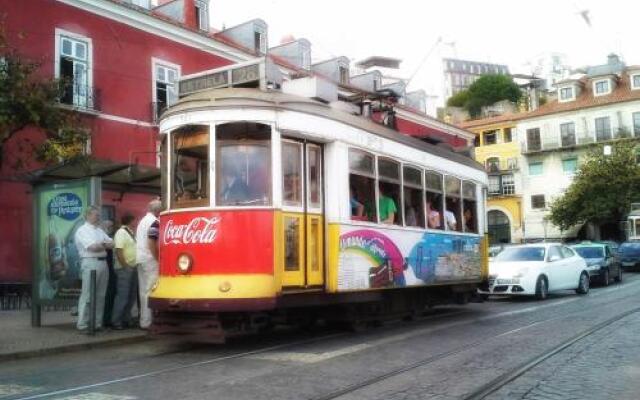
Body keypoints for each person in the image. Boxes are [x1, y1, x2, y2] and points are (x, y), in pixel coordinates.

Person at [74, 206, 114, 332]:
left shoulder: (99, 230)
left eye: (98, 215)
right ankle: (82, 324)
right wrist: (104, 244)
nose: (98, 217)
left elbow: (113, 244)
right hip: (90, 262)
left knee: (101, 295)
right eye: (96, 215)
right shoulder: (82, 230)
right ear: (88, 216)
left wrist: (101, 245)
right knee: (87, 295)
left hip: (103, 263)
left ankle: (97, 323)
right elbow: (92, 248)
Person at [136, 199, 162, 330]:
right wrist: (158, 259)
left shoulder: (142, 221)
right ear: (158, 210)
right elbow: (151, 243)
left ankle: (143, 321)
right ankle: (148, 322)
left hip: (140, 258)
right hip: (150, 259)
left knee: (143, 291)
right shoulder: (154, 222)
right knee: (151, 291)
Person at [111, 213, 138, 330]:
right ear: (130, 221)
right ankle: (116, 321)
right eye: (134, 220)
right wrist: (125, 265)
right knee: (123, 295)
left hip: (132, 267)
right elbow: (119, 250)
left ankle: (126, 319)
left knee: (131, 296)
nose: (136, 223)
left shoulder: (130, 233)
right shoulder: (121, 232)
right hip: (124, 268)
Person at [101, 219, 116, 328]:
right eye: (109, 226)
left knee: (111, 294)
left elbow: (112, 245)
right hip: (106, 268)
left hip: (111, 269)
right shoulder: (103, 237)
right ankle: (105, 319)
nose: (111, 228)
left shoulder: (109, 238)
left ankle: (108, 318)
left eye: (111, 226)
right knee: (107, 295)